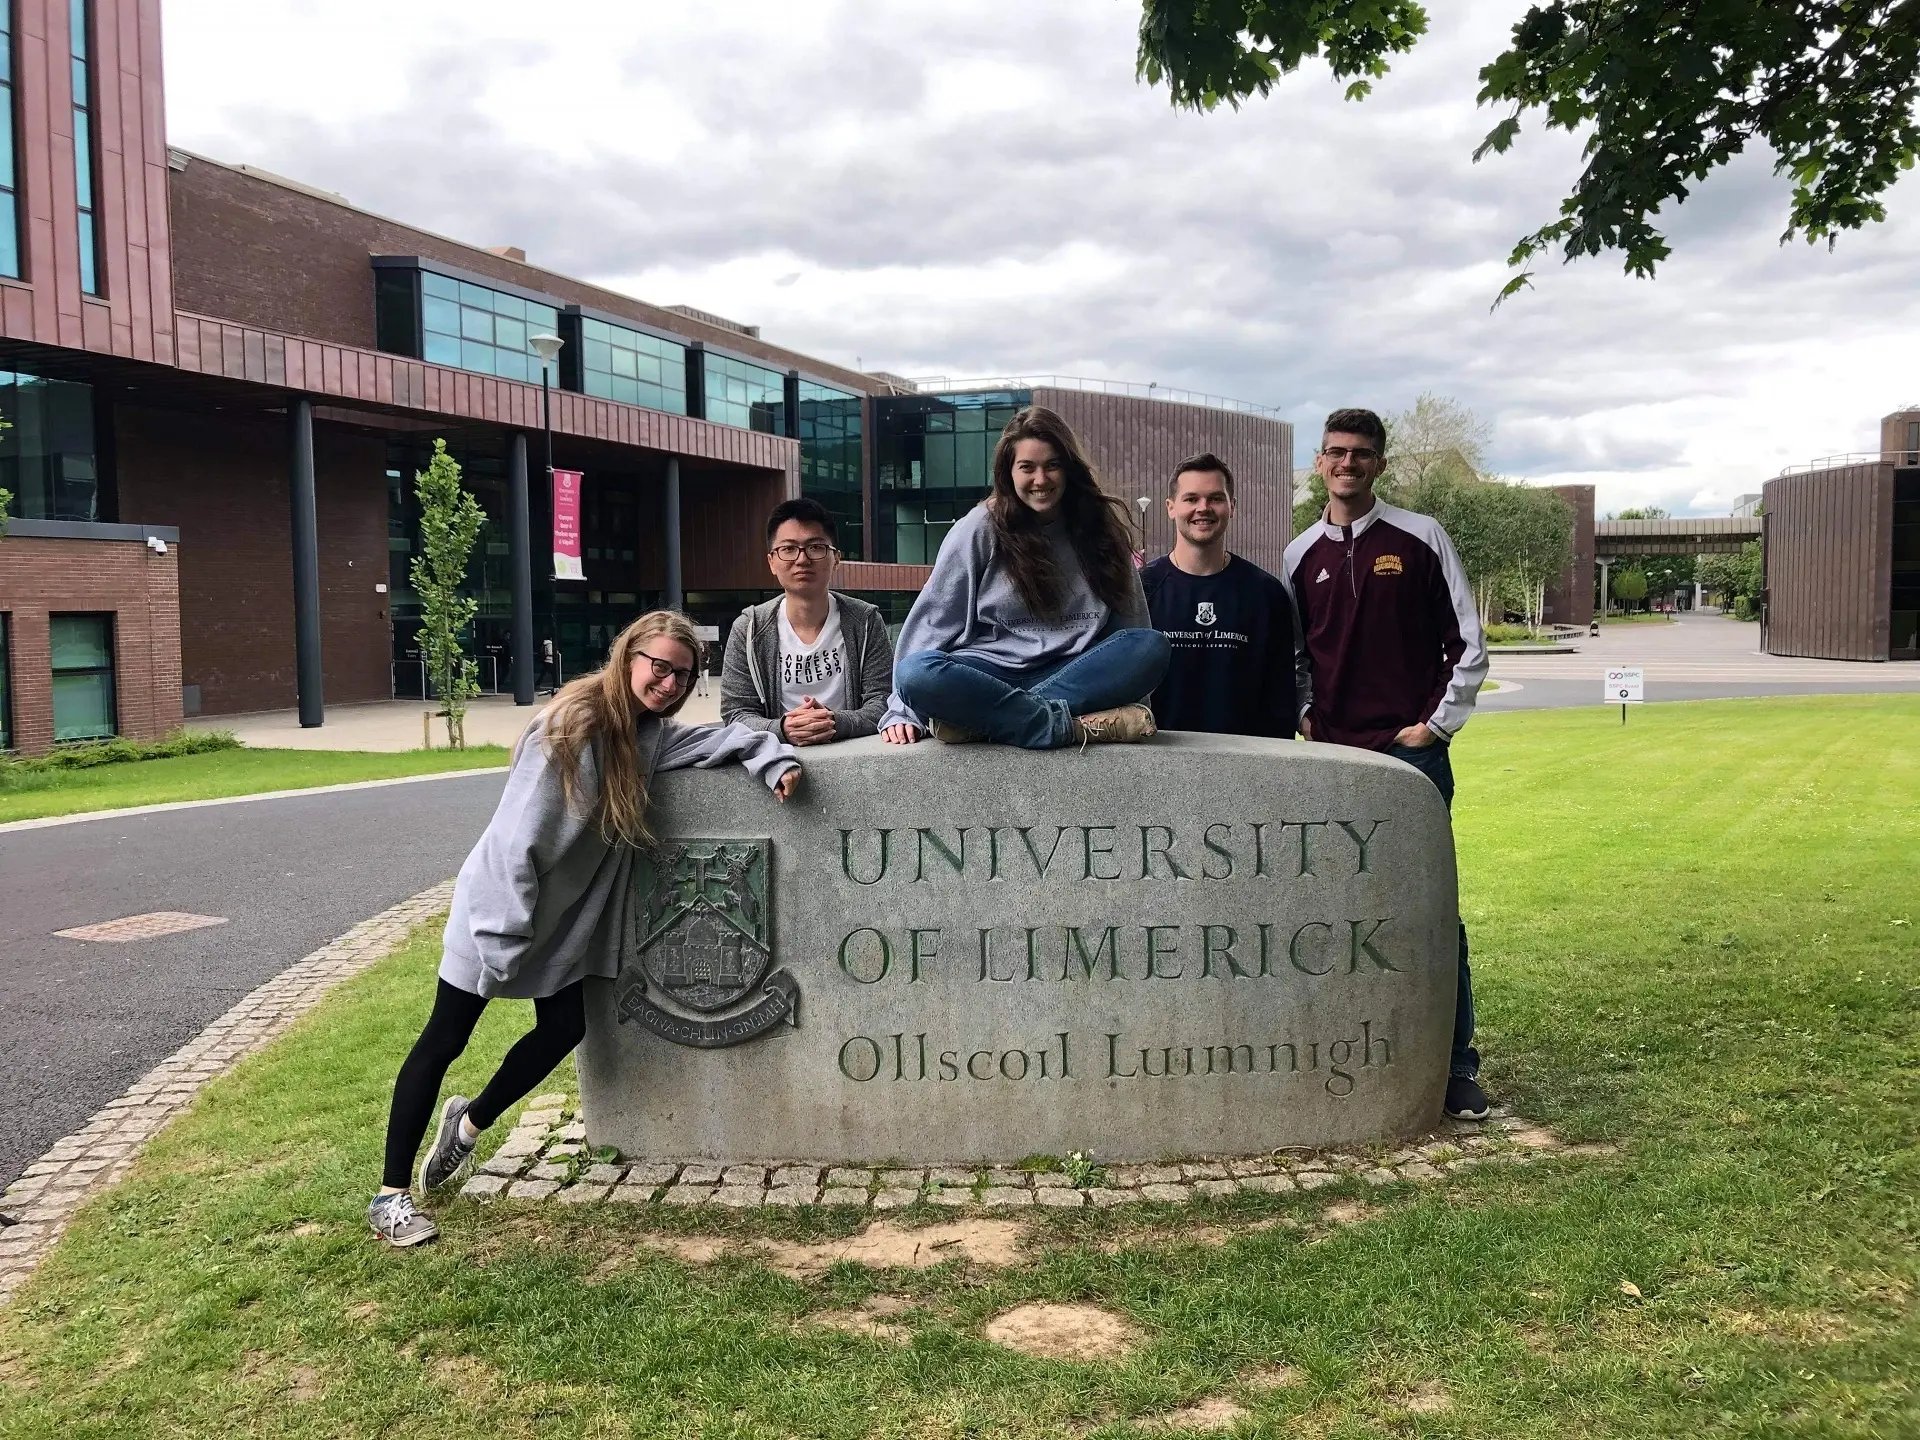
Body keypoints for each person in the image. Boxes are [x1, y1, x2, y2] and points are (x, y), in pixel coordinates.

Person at [368, 611, 801, 1247]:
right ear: (628, 658)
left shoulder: (646, 736)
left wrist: (774, 757)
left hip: (560, 920)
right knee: (444, 1040)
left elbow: (716, 743)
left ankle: (466, 1126)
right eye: (658, 667)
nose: (669, 682)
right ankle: (390, 1195)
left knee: (565, 1027)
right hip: (498, 912)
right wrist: (503, 937)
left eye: (683, 674)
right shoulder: (570, 730)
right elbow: (517, 842)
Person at [1281, 408, 1492, 1121]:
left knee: (1432, 914)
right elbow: (1296, 655)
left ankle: (1456, 1067)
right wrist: (1307, 714)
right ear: (1319, 463)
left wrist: (1434, 726)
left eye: (1362, 454)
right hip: (1334, 759)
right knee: (1334, 918)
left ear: (1379, 463)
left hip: (1412, 759)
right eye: (1337, 453)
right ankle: (1345, 1055)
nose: (1348, 464)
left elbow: (1468, 642)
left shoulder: (1420, 536)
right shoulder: (1298, 554)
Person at [880, 404, 1170, 749]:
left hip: (1074, 672)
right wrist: (901, 710)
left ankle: (990, 722)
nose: (1041, 480)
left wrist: (1133, 689)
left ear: (1068, 469)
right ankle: (1057, 726)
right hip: (990, 673)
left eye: (1052, 466)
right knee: (916, 673)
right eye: (1027, 468)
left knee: (1151, 647)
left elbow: (1131, 627)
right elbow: (932, 624)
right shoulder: (979, 529)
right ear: (1009, 472)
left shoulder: (1101, 530)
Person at [1141, 452, 1297, 737]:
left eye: (1215, 498)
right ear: (1170, 507)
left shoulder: (1266, 594)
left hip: (1244, 766)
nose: (1203, 508)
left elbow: (1281, 700)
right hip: (1158, 762)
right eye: (1191, 499)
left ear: (1232, 506)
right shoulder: (1141, 590)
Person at [721, 497, 895, 744]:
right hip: (779, 763)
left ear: (836, 558)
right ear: (771, 561)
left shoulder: (865, 621)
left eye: (815, 547)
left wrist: (833, 722)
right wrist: (782, 728)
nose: (802, 559)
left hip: (850, 757)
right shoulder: (749, 629)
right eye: (788, 549)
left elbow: (883, 701)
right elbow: (735, 713)